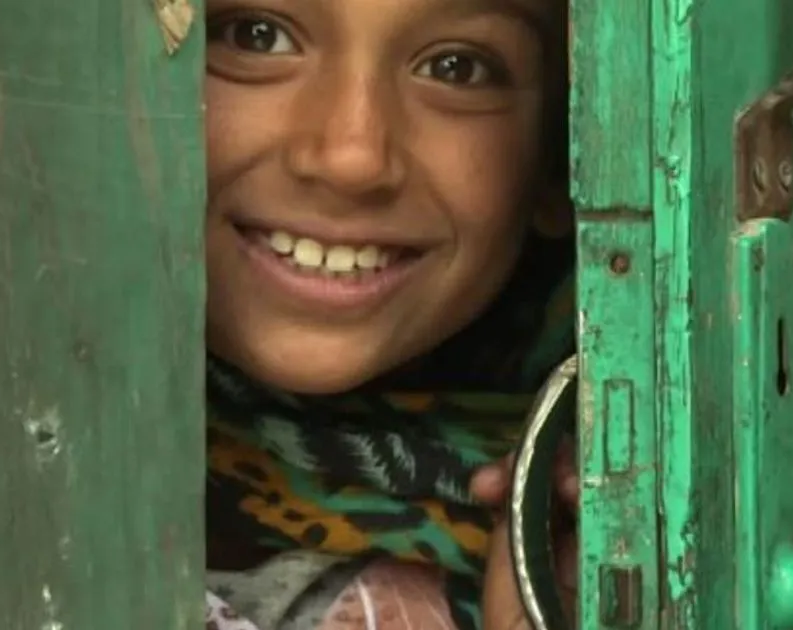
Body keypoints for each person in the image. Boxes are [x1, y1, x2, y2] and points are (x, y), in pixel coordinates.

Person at [200, 0, 577, 626]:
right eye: (255, 36)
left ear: (560, 154)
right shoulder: (34, 494)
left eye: (456, 68)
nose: (352, 159)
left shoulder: (611, 520)